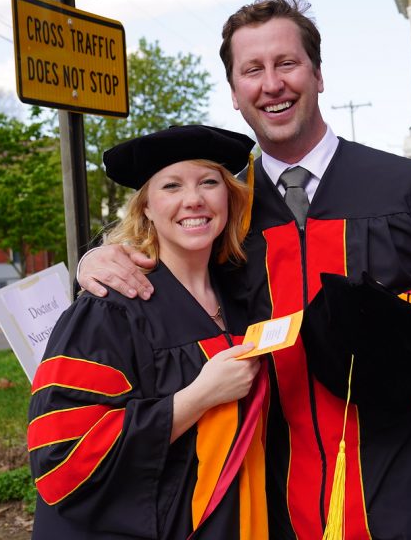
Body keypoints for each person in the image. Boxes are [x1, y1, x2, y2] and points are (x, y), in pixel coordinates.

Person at [78, 0, 411, 539]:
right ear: (234, 93)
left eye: (286, 63)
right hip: (273, 495)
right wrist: (97, 257)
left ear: (318, 75)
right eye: (253, 70)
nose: (272, 84)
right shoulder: (223, 216)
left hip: (410, 478)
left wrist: (406, 318)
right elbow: (171, 284)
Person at [28, 125, 269, 539]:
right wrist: (197, 397)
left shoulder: (244, 296)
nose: (193, 199)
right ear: (146, 209)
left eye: (209, 182)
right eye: (171, 185)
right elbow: (61, 457)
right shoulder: (109, 308)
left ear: (229, 198)